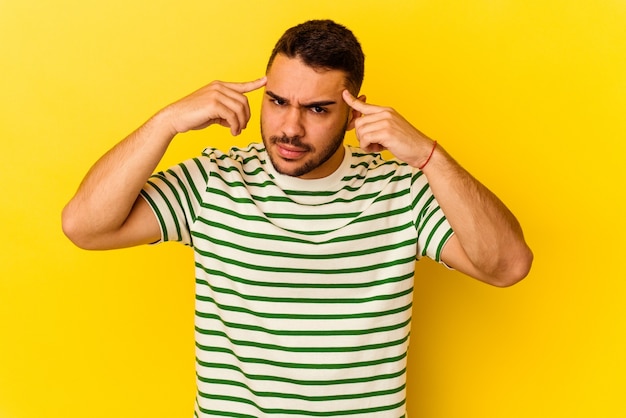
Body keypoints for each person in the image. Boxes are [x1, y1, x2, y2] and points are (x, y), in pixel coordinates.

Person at [62, 19, 532, 417]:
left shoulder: (400, 191)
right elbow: (85, 226)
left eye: (317, 109)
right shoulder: (216, 181)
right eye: (278, 101)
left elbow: (507, 266)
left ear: (353, 112)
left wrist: (429, 156)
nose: (290, 127)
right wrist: (166, 121)